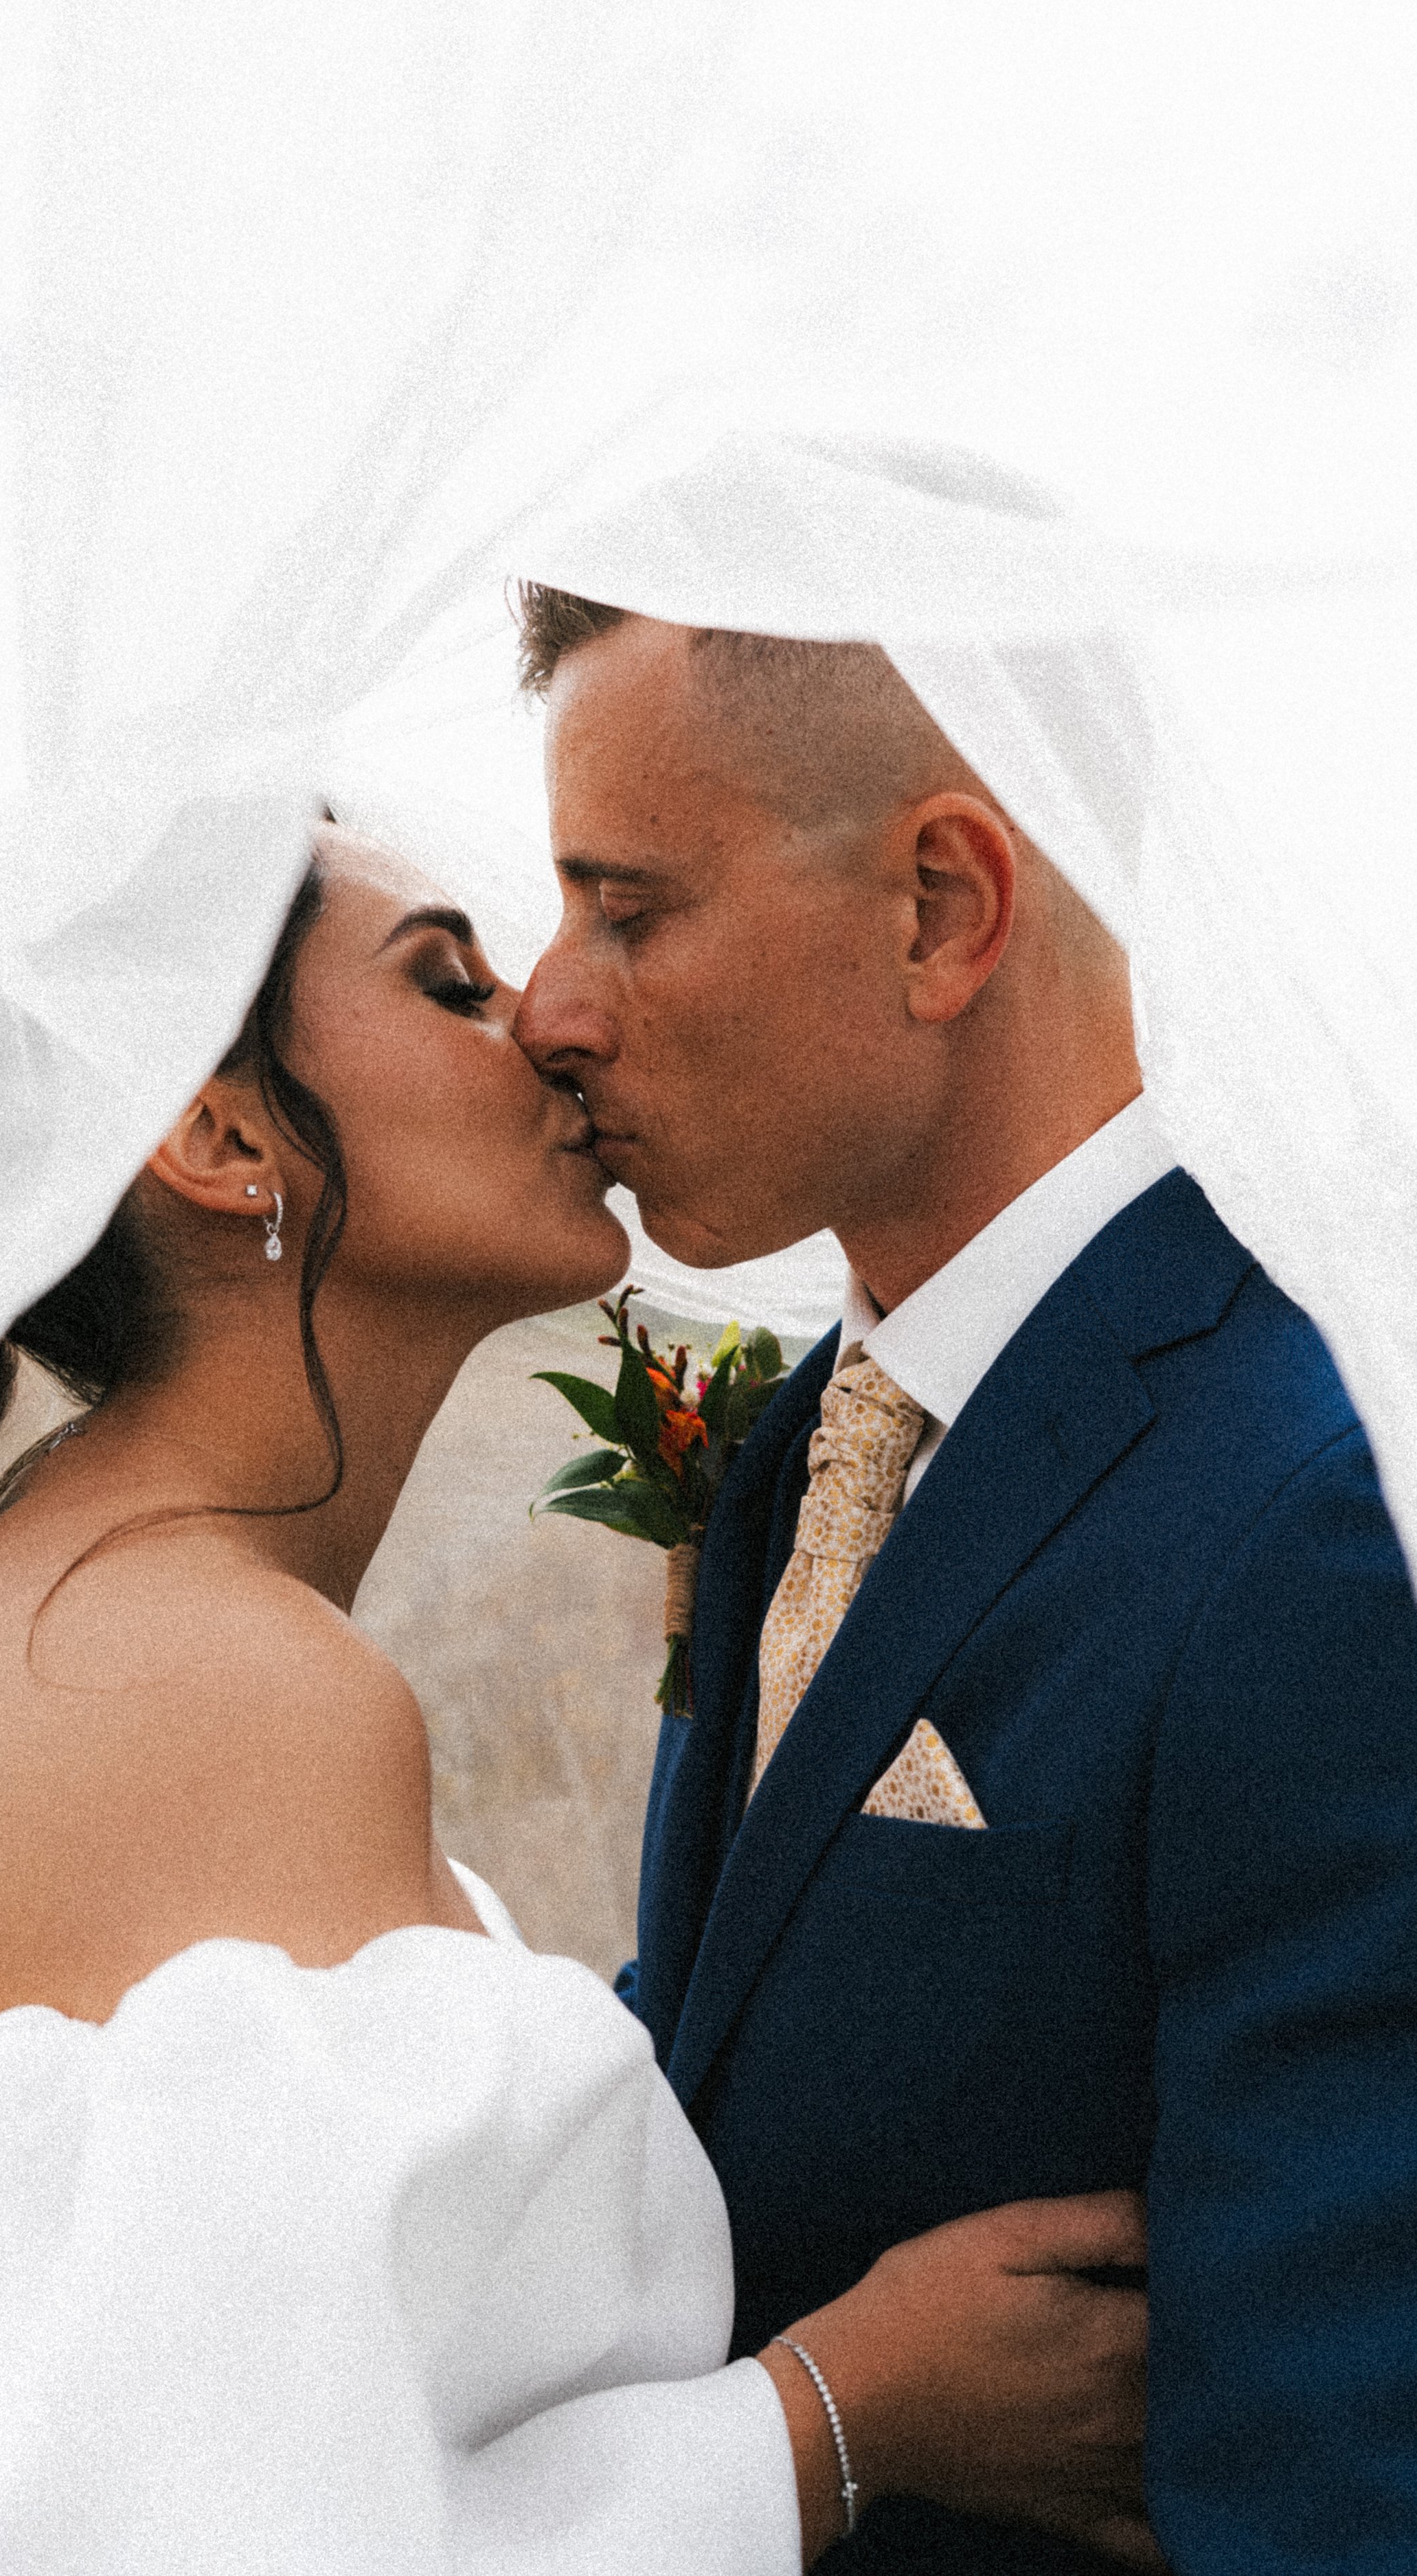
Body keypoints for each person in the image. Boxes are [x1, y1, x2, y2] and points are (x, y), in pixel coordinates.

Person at [0, 826, 1150, 2573]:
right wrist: (848, 2410)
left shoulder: (78, 1597)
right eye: (447, 980)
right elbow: (278, 2536)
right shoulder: (227, 1681)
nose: (542, 1018)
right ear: (224, 1139)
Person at [510, 511, 1417, 2573]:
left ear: (939, 905)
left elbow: (1333, 2471)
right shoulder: (805, 1449)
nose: (549, 1006)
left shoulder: (1308, 1510)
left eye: (624, 906)